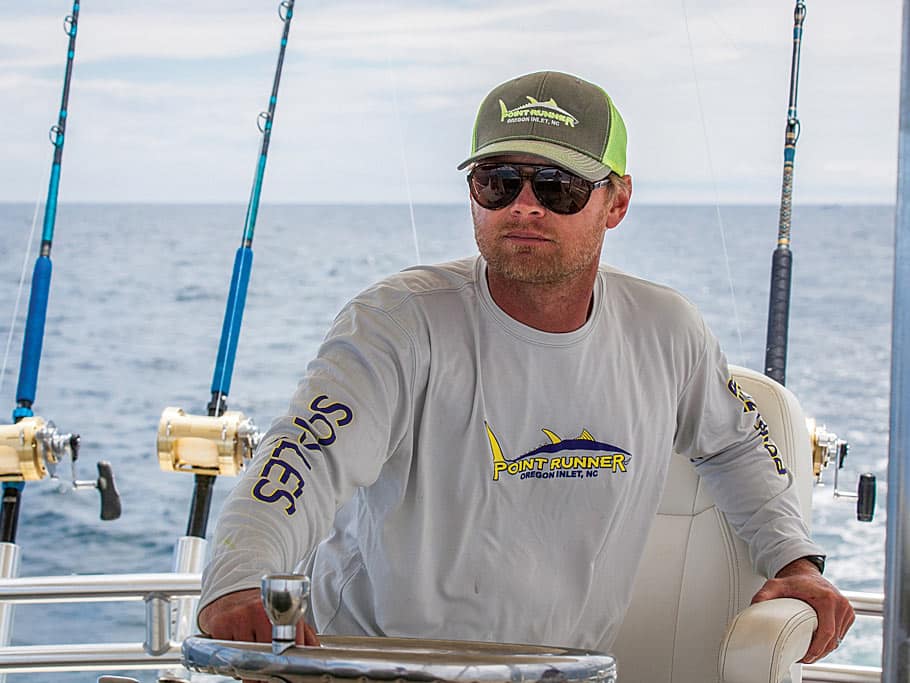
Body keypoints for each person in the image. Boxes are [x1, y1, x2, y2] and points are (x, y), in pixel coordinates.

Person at [197, 70, 853, 664]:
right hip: (377, 669)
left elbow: (737, 443)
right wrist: (237, 576)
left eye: (559, 187)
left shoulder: (668, 332)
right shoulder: (398, 321)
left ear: (616, 201)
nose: (524, 205)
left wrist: (796, 560)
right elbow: (305, 455)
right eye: (498, 182)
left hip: (567, 672)